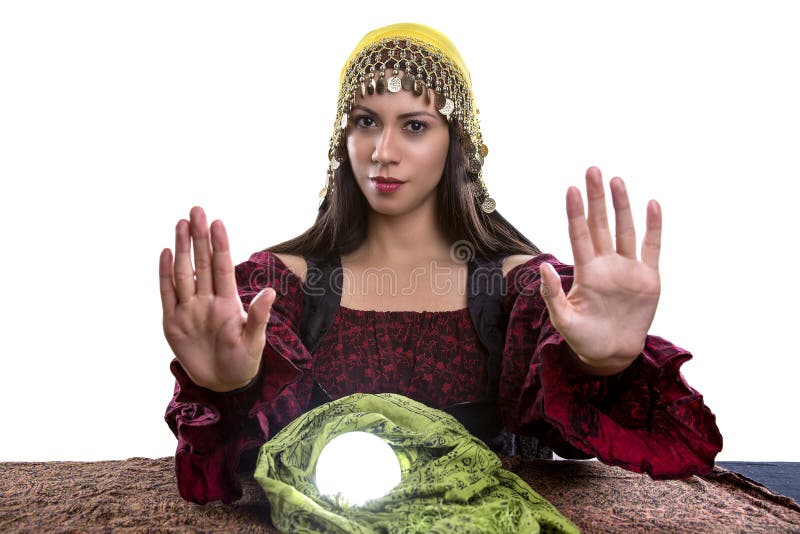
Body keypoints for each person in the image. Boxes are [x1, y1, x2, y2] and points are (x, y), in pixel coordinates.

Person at [160, 22, 723, 505]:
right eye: (365, 121)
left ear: (456, 143)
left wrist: (600, 364)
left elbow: (583, 446)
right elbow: (242, 471)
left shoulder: (520, 289)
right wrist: (233, 385)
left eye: (413, 125)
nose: (383, 150)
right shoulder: (280, 289)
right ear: (342, 136)